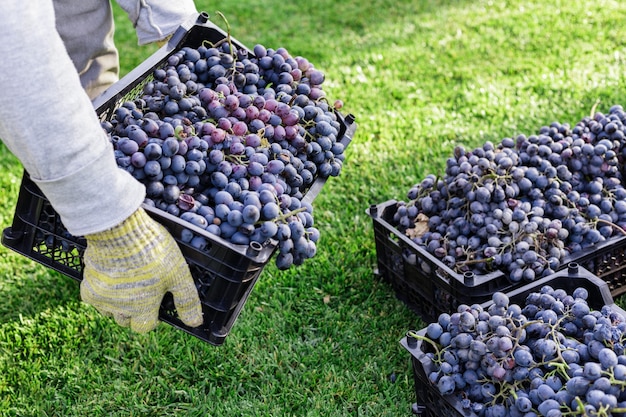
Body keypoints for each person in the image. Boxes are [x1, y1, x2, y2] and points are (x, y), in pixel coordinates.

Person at [0, 0, 204, 333]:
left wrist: (177, 22)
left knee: (94, 115)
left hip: (77, 67)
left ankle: (80, 235)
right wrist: (115, 228)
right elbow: (9, 44)